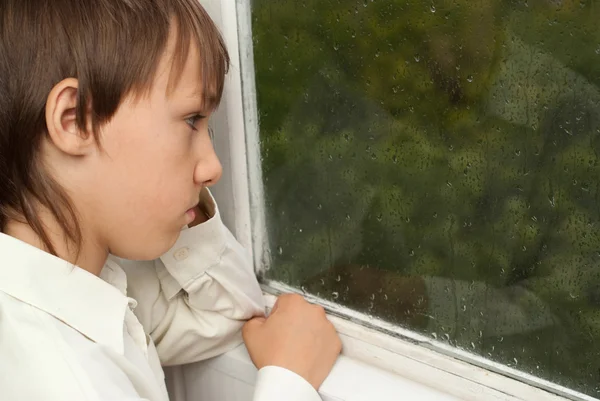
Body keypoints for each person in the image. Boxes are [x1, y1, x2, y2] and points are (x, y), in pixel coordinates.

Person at [0, 1, 341, 400]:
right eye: (192, 120)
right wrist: (288, 383)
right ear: (75, 120)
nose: (212, 168)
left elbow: (228, 313)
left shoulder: (86, 287)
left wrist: (184, 207)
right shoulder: (62, 378)